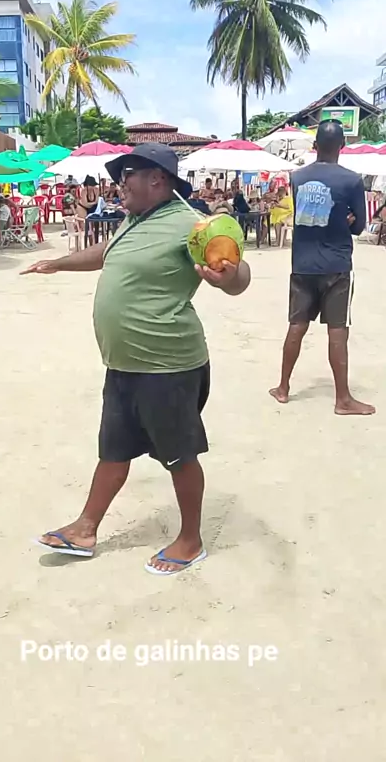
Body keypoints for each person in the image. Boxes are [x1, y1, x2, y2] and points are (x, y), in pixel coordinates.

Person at [22, 143, 251, 574]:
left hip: (167, 365)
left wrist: (228, 276)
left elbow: (238, 276)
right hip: (124, 364)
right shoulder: (134, 219)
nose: (119, 183)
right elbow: (106, 253)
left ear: (157, 179)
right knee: (115, 448)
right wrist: (58, 263)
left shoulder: (191, 225)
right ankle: (85, 528)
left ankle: (190, 541)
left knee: (179, 455)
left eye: (127, 174)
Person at [269, 119, 375, 416]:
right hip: (336, 265)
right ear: (343, 145)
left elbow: (307, 215)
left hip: (302, 265)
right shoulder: (352, 181)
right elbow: (359, 227)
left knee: (296, 326)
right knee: (337, 330)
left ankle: (283, 388)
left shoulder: (298, 177)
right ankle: (343, 399)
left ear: (315, 146)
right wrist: (346, 219)